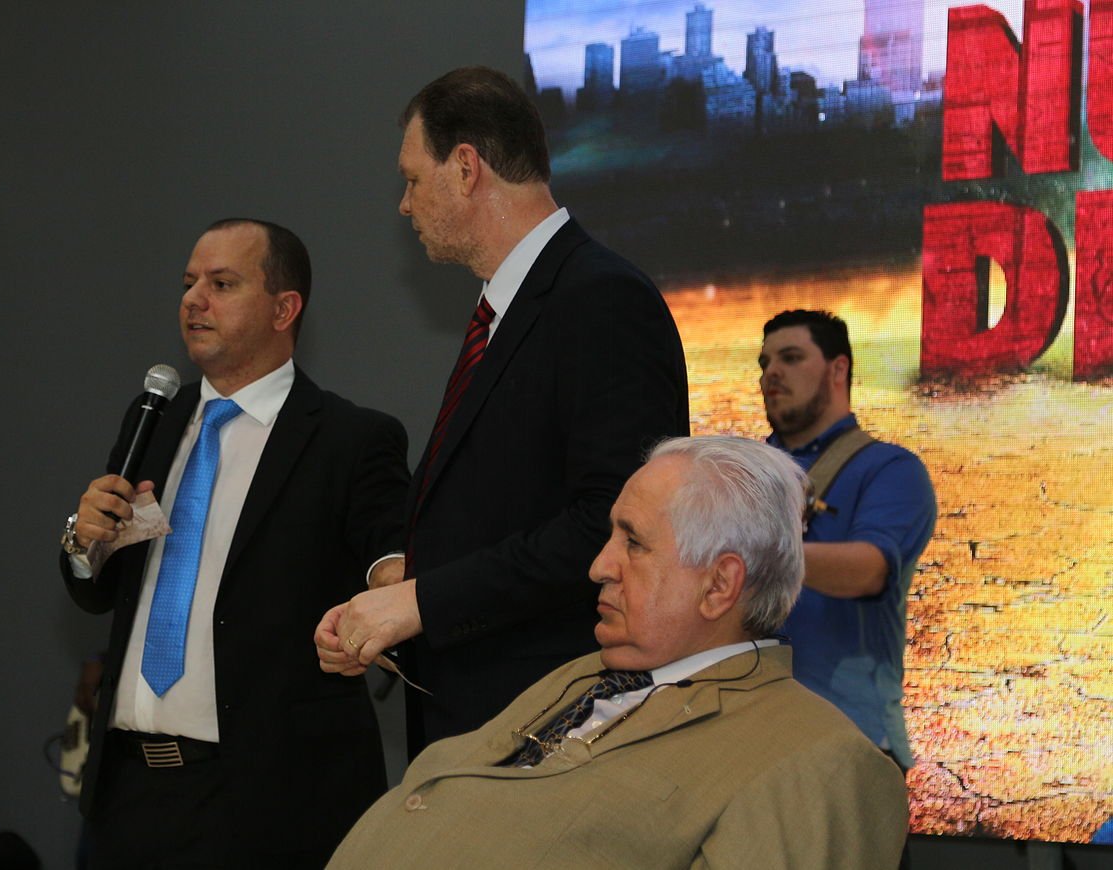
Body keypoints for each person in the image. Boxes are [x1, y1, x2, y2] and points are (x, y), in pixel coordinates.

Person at [315, 65, 688, 756]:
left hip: (553, 726)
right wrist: (403, 583)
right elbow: (496, 506)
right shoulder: (507, 309)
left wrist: (423, 603)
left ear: (465, 168)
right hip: (486, 721)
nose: (404, 205)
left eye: (412, 179)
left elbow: (614, 524)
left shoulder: (602, 299)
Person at [327, 436, 910, 869]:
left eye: (633, 542)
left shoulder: (819, 759)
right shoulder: (584, 673)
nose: (599, 566)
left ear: (718, 585)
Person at [58, 219, 409, 869]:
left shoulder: (349, 440)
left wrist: (389, 590)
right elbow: (97, 592)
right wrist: (84, 540)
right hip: (130, 792)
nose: (194, 300)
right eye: (188, 283)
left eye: (221, 284)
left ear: (284, 309)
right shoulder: (153, 419)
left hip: (271, 802)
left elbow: (392, 574)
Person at [758, 309, 936, 771]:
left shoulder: (890, 470)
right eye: (765, 362)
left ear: (839, 370)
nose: (771, 372)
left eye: (791, 358)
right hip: (748, 739)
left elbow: (868, 570)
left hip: (851, 742)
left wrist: (745, 553)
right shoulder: (741, 471)